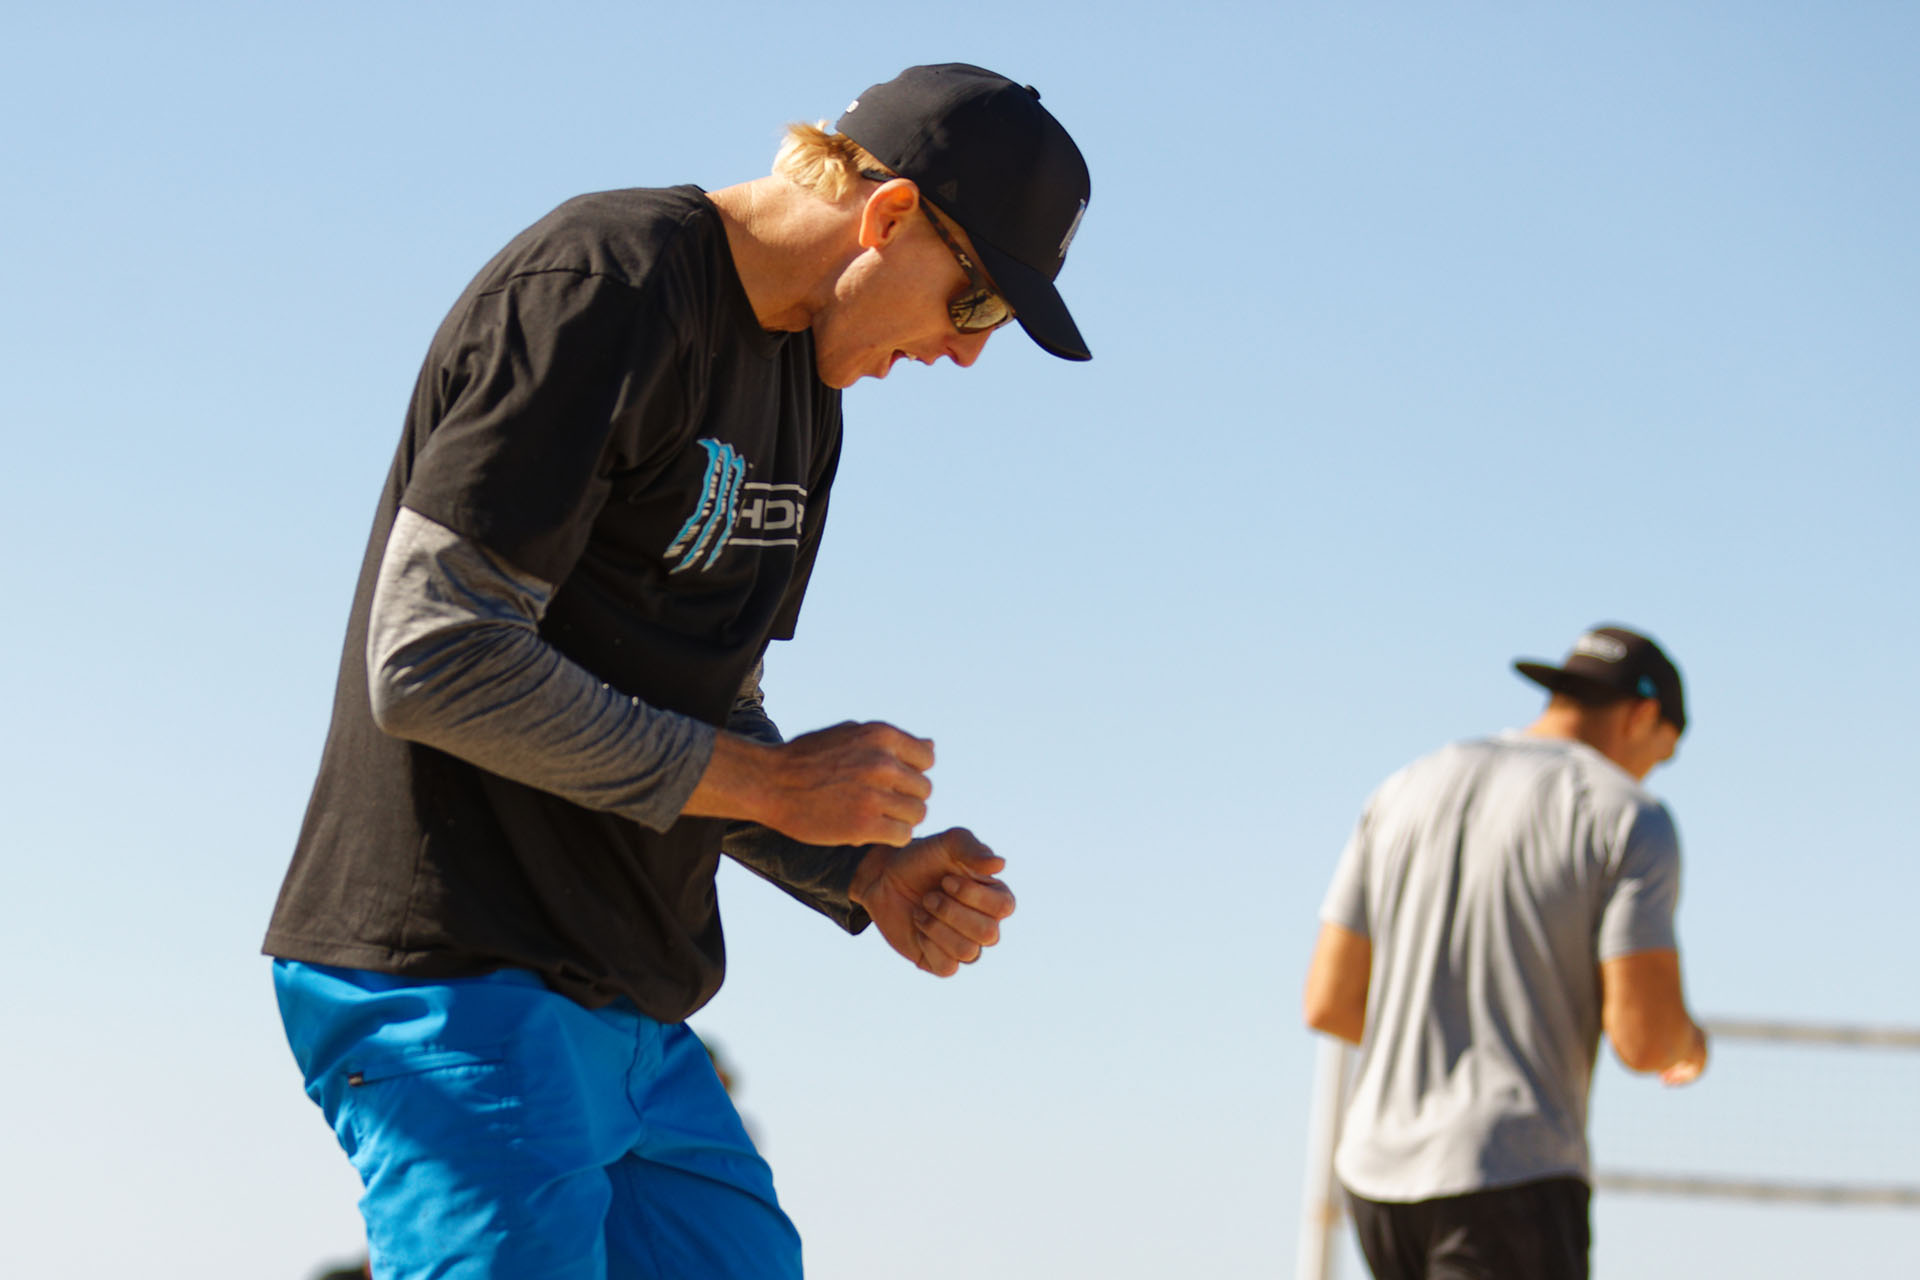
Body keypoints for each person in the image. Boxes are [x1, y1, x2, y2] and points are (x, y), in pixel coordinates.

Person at [263, 63, 1092, 1280]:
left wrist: (858, 865)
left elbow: (711, 713)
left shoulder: (809, 397)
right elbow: (432, 654)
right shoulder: (606, 286)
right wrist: (776, 786)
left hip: (636, 1011)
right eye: (975, 304)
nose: (965, 354)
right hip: (453, 974)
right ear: (890, 215)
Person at [1302, 625, 1709, 1280]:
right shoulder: (1628, 815)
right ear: (1641, 716)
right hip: (1511, 1174)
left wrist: (1448, 1043)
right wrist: (1689, 1046)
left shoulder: (1406, 786)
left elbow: (1329, 1003)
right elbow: (1645, 1039)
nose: (1650, 772)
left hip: (1378, 1178)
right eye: (1662, 755)